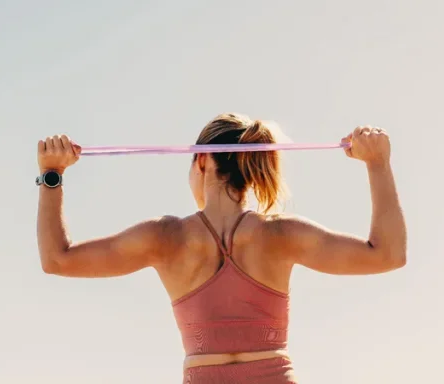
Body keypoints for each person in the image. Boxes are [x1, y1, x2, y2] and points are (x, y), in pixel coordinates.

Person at [35, 113, 407, 384]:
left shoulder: (165, 238)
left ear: (202, 159)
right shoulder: (280, 234)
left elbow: (57, 259)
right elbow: (388, 254)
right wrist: (378, 163)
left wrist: (52, 174)